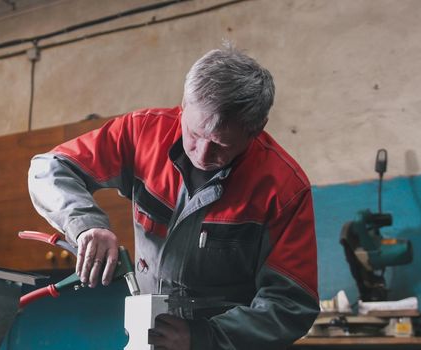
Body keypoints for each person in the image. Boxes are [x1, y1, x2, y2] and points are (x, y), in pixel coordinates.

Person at [28, 45, 319, 349]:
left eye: (220, 145)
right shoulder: (142, 134)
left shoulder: (284, 190)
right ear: (184, 104)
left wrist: (204, 337)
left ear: (256, 130)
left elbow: (291, 305)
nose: (203, 154)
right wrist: (86, 224)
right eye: (194, 134)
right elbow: (49, 168)